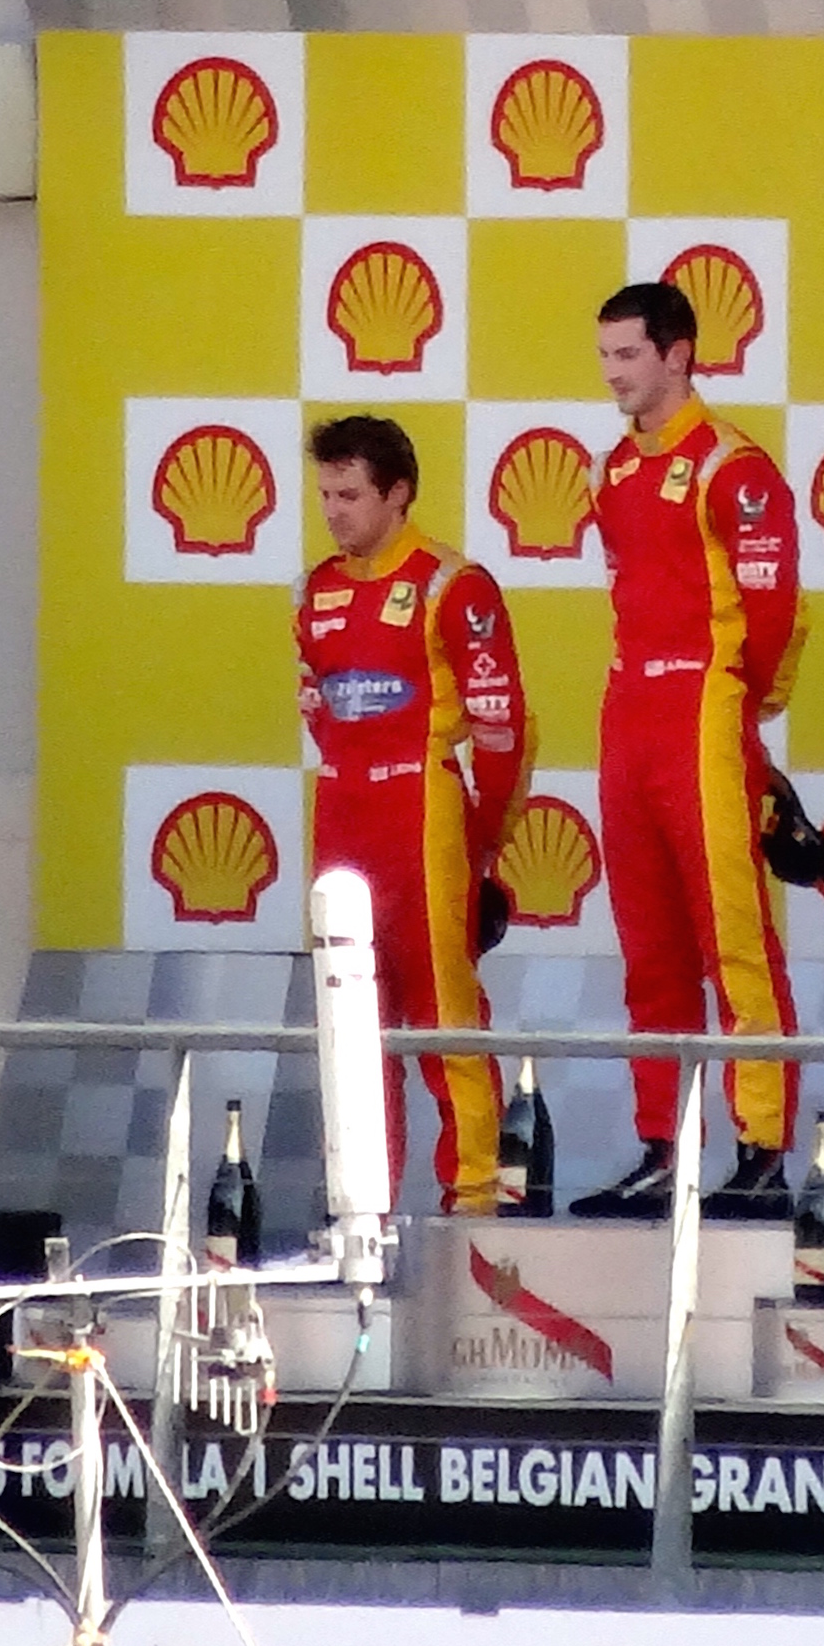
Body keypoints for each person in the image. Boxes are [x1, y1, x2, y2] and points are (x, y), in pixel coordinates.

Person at [573, 278, 806, 1220]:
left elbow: (777, 613)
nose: (614, 376)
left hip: (703, 710)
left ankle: (760, 1151)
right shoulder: (609, 472)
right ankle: (663, 1147)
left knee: (733, 941)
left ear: (679, 353)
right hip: (628, 708)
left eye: (629, 356)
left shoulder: (733, 467)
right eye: (605, 358)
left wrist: (740, 713)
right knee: (650, 948)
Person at [299, 413, 534, 1213]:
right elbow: (318, 707)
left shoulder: (451, 584)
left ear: (398, 494)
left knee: (443, 1015)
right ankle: (362, 1209)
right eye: (326, 493)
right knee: (351, 1021)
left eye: (351, 494)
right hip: (338, 812)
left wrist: (480, 847)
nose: (334, 510)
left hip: (420, 810)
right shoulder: (316, 589)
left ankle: (474, 1199)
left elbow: (505, 732)